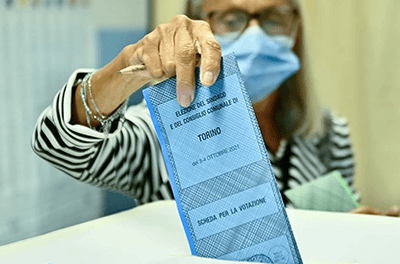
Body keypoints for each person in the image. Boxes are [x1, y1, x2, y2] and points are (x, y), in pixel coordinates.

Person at [32, 0, 398, 216]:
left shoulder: (327, 131)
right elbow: (60, 145)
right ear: (197, 26)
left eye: (273, 17)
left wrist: (358, 230)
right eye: (232, 18)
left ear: (295, 29)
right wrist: (133, 63)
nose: (255, 34)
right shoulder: (163, 132)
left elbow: (333, 223)